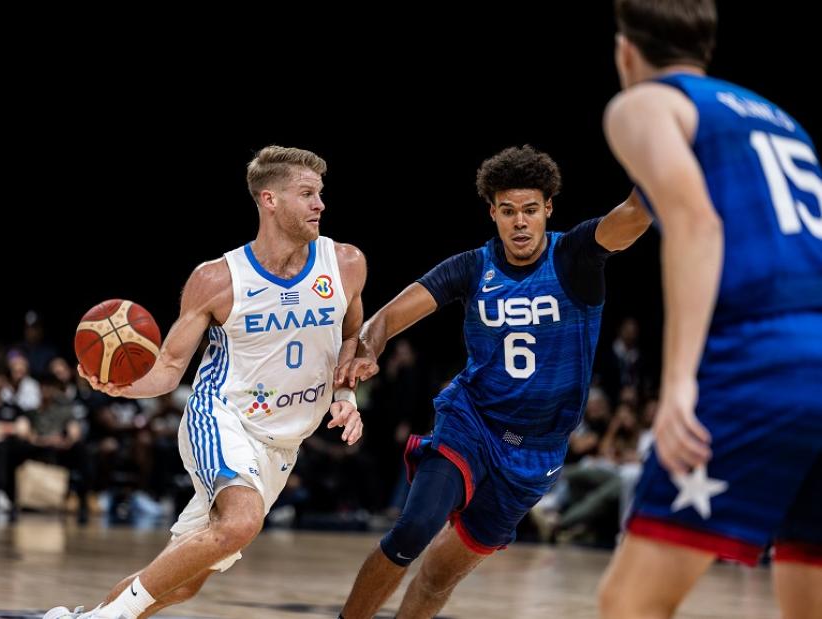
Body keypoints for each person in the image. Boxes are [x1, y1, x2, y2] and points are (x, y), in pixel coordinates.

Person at [44, 145, 367, 619]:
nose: (320, 204)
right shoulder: (217, 279)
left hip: (283, 443)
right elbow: (169, 368)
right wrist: (119, 386)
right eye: (307, 194)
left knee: (182, 581)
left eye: (320, 193)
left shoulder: (345, 263)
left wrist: (344, 394)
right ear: (269, 199)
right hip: (223, 417)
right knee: (239, 523)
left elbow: (352, 336)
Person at [338, 145, 651, 619]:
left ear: (548, 209)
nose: (519, 222)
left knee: (440, 574)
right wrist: (368, 348)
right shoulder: (472, 267)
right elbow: (385, 319)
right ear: (493, 213)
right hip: (472, 423)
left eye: (530, 210)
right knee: (413, 530)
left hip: (536, 451)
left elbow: (635, 214)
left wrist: (658, 156)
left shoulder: (577, 255)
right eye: (508, 211)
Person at [596, 2, 822, 618]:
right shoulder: (780, 119)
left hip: (763, 356)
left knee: (629, 604)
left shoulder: (646, 104)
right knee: (807, 595)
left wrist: (678, 384)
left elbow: (697, 222)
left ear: (625, 51)